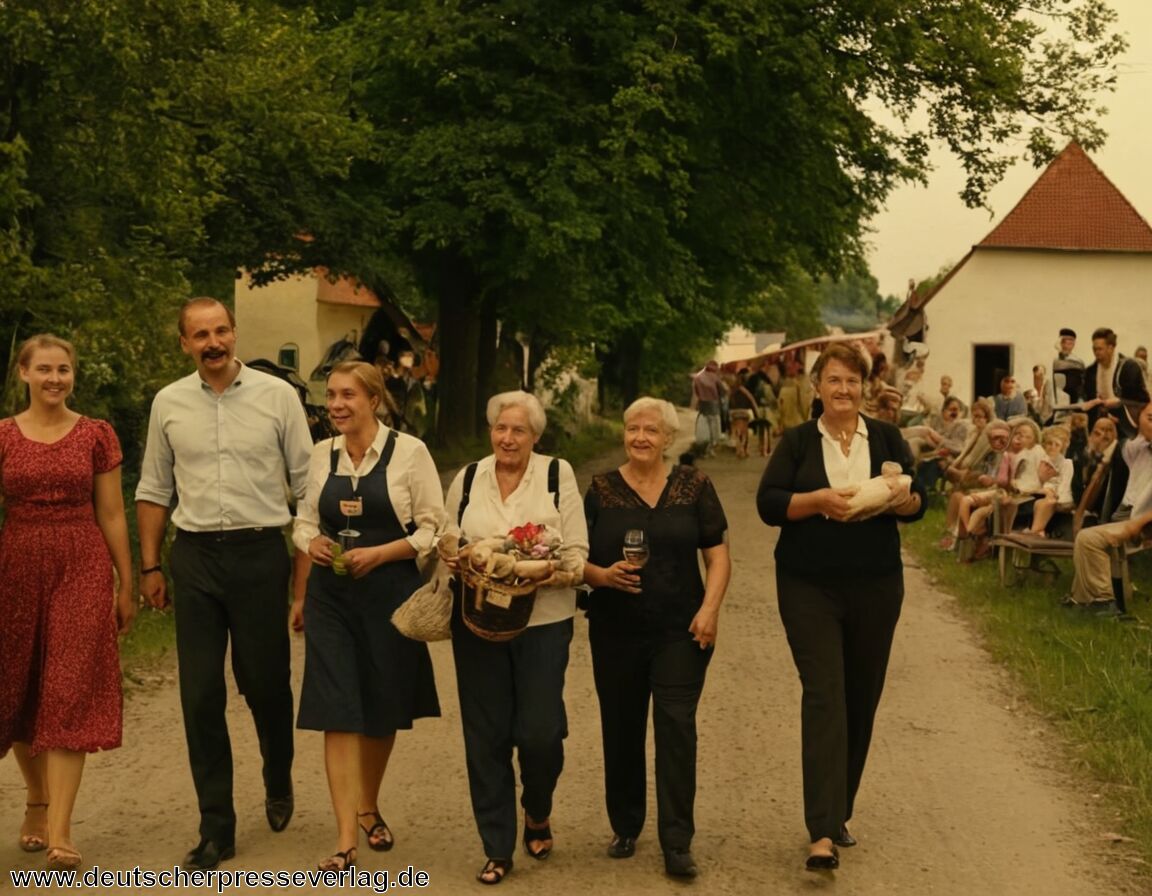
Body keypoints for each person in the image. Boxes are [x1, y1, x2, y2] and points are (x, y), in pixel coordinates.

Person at [136, 298, 313, 871]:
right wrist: (150, 566)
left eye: (220, 331)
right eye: (199, 335)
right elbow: (153, 489)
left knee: (264, 684)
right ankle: (217, 826)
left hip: (260, 553)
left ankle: (277, 769)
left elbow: (307, 486)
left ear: (233, 334)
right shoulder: (169, 403)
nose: (212, 342)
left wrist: (304, 574)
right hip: (195, 559)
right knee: (200, 694)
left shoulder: (277, 397)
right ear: (184, 343)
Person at [756, 344, 926, 872]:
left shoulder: (888, 438)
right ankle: (821, 832)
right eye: (834, 381)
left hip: (876, 586)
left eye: (852, 382)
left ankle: (840, 809)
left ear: (865, 387)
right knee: (825, 696)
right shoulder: (799, 441)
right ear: (818, 386)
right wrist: (817, 503)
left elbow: (918, 503)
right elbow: (768, 504)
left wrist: (905, 501)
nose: (844, 391)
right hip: (808, 585)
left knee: (860, 698)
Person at [292, 362, 444, 871]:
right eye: (331, 395)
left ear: (373, 400)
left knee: (381, 708)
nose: (336, 404)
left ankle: (367, 806)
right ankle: (343, 841)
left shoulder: (410, 453)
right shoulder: (321, 454)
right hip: (330, 598)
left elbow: (433, 531)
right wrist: (309, 541)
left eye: (347, 395)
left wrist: (380, 554)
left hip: (390, 593)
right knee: (337, 708)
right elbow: (304, 519)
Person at [441, 391, 588, 885]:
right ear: (491, 431)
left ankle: (538, 806)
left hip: (543, 620)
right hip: (477, 621)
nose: (507, 438)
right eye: (501, 428)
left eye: (518, 430)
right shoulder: (467, 478)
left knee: (540, 731)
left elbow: (577, 554)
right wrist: (453, 556)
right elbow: (446, 538)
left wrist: (541, 569)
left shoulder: (555, 475)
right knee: (486, 735)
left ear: (535, 436)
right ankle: (497, 845)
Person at [0, 335, 134, 871]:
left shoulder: (96, 434)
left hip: (80, 561)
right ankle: (36, 800)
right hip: (15, 565)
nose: (55, 379)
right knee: (20, 686)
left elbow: (113, 513)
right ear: (24, 374)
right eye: (45, 370)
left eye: (64, 370)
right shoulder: (4, 436)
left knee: (67, 691)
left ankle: (61, 830)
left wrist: (126, 581)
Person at [582, 398, 731, 878]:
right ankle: (625, 824)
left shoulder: (695, 486)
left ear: (669, 438)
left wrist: (709, 610)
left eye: (651, 430)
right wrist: (601, 577)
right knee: (621, 728)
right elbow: (571, 556)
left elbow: (719, 556)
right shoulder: (601, 490)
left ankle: (677, 841)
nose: (640, 437)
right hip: (615, 630)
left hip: (679, 630)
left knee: (676, 729)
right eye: (632, 429)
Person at [1066, 401, 1152, 614]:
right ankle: (1081, 599)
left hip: (1145, 523)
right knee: (1085, 536)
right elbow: (1128, 427)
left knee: (1089, 539)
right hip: (1130, 515)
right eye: (1149, 418)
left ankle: (1104, 601)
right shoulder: (1139, 448)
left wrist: (1136, 525)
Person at [692, 361, 724, 456]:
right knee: (714, 429)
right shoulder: (715, 378)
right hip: (714, 405)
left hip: (703, 406)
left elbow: (696, 393)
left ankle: (705, 449)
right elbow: (722, 391)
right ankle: (711, 448)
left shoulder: (697, 378)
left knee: (704, 428)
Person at [727, 370, 758, 459]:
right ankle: (744, 450)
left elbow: (727, 403)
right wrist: (756, 414)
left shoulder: (731, 392)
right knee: (744, 432)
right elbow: (752, 401)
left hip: (734, 413)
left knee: (737, 433)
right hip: (744, 412)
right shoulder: (743, 390)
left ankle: (739, 450)